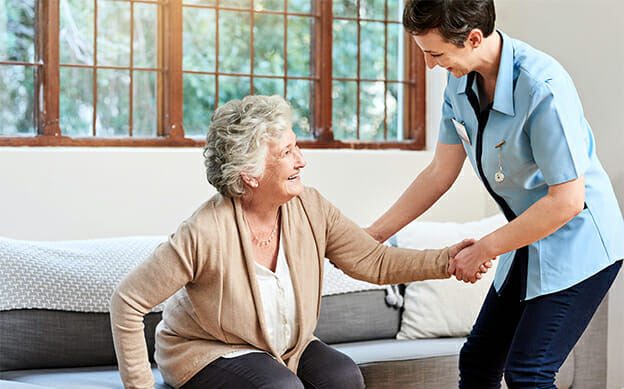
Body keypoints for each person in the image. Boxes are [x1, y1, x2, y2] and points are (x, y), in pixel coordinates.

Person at [110, 95, 484, 389]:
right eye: (287, 153)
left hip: (284, 348)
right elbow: (127, 301)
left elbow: (374, 261)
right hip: (209, 351)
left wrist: (446, 260)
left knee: (343, 376)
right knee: (278, 386)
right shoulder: (205, 232)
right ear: (250, 175)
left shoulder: (310, 207)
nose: (301, 160)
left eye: (296, 147)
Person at [365, 1, 624, 388]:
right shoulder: (459, 81)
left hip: (580, 240)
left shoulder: (541, 87)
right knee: (478, 362)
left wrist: (484, 249)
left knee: (529, 375)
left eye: (435, 54)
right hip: (527, 235)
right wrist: (374, 235)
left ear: (473, 38)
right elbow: (439, 173)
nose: (430, 66)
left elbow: (568, 201)